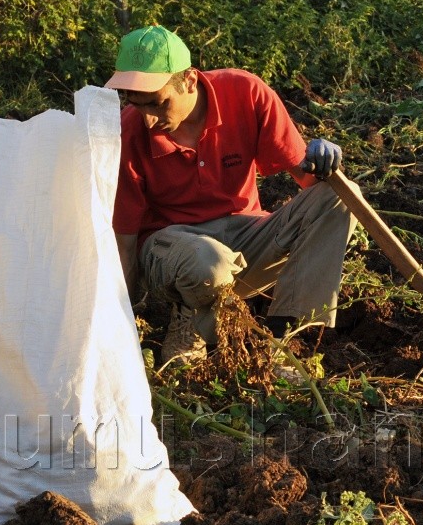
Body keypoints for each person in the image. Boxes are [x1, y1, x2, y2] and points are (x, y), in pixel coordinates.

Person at [107, 25, 357, 365]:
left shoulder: (246, 93)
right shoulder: (128, 133)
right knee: (207, 262)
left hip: (244, 234)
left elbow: (309, 184)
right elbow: (124, 243)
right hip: (172, 249)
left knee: (342, 194)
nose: (148, 120)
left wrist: (324, 164)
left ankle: (282, 339)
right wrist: (121, 328)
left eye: (157, 103)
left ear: (190, 81)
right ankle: (189, 321)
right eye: (136, 104)